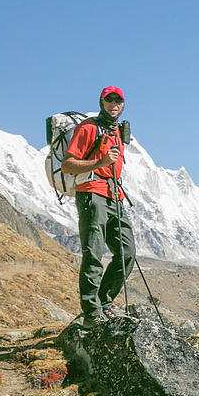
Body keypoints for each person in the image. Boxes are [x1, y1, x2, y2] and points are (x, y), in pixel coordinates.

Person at [61, 86, 135, 326]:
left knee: (127, 252)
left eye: (118, 101)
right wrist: (100, 162)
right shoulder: (89, 128)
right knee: (93, 253)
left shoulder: (117, 132)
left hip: (115, 196)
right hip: (92, 194)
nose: (114, 104)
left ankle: (104, 302)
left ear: (122, 105)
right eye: (109, 100)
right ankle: (91, 311)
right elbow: (68, 164)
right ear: (102, 102)